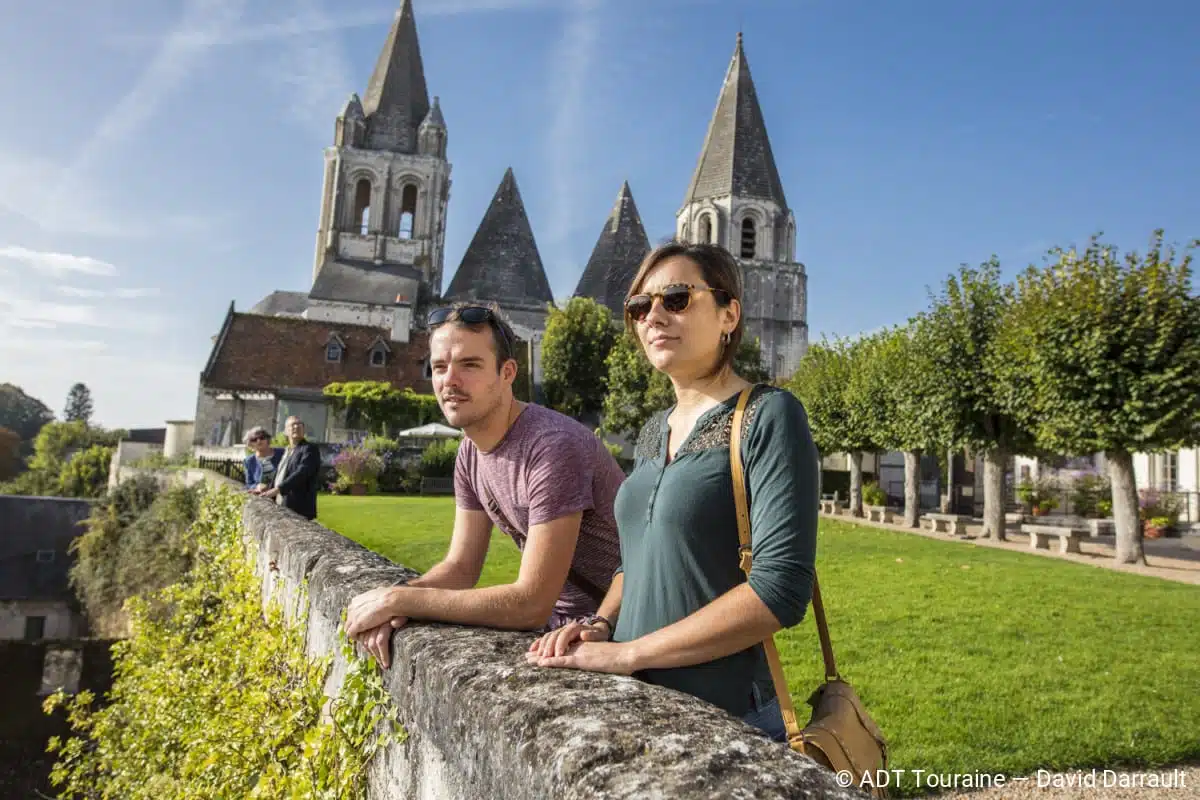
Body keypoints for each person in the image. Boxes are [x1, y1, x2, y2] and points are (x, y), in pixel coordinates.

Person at [526, 241, 818, 742]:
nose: (653, 317)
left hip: (726, 720)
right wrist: (601, 624)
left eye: (677, 299)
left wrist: (629, 654)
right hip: (635, 706)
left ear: (729, 315)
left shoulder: (769, 415)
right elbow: (635, 562)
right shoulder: (652, 430)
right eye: (640, 307)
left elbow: (780, 591)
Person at [345, 303, 625, 668]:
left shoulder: (552, 446)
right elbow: (461, 567)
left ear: (507, 373)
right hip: (562, 628)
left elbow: (531, 603)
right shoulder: (470, 452)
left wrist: (401, 601)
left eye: (470, 365)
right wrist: (393, 602)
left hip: (618, 626)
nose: (449, 381)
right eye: (439, 367)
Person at [253, 416, 321, 521]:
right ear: (285, 432)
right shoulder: (287, 451)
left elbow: (302, 473)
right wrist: (266, 490)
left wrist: (277, 490)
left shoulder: (309, 449)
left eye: (299, 424)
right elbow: (281, 475)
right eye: (292, 425)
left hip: (299, 508)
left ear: (303, 429)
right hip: (282, 504)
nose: (296, 426)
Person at [242, 426, 283, 492]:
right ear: (250, 444)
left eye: (262, 437)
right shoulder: (249, 461)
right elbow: (249, 484)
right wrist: (257, 486)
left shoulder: (282, 453)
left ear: (267, 439)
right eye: (254, 439)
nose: (258, 441)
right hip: (263, 495)